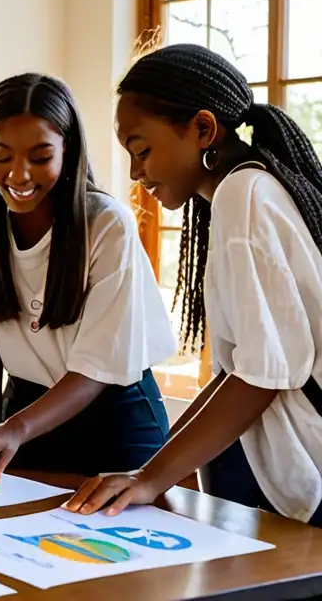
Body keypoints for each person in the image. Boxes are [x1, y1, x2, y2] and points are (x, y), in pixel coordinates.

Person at [65, 43, 322, 525]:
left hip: (306, 461)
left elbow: (263, 374)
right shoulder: (249, 190)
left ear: (203, 129)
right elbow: (237, 371)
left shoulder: (244, 194)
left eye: (142, 150)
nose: (136, 172)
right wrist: (156, 469)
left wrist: (152, 477)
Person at [0, 73, 175, 479]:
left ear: (68, 151)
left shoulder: (107, 224)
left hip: (116, 417)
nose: (18, 175)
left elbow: (97, 367)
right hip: (24, 414)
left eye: (40, 157)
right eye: (2, 155)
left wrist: (12, 430)